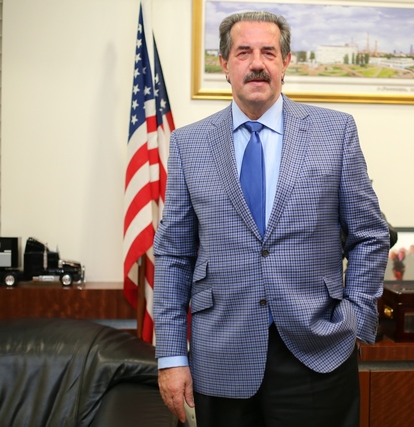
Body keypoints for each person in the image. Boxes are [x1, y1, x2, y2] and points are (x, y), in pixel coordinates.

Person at [153, 10, 389, 427]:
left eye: (268, 52)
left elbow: (370, 234)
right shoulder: (190, 145)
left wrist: (356, 316)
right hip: (220, 354)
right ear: (224, 64)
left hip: (318, 349)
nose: (257, 63)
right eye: (243, 52)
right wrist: (171, 355)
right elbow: (173, 255)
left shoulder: (334, 133)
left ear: (286, 61)